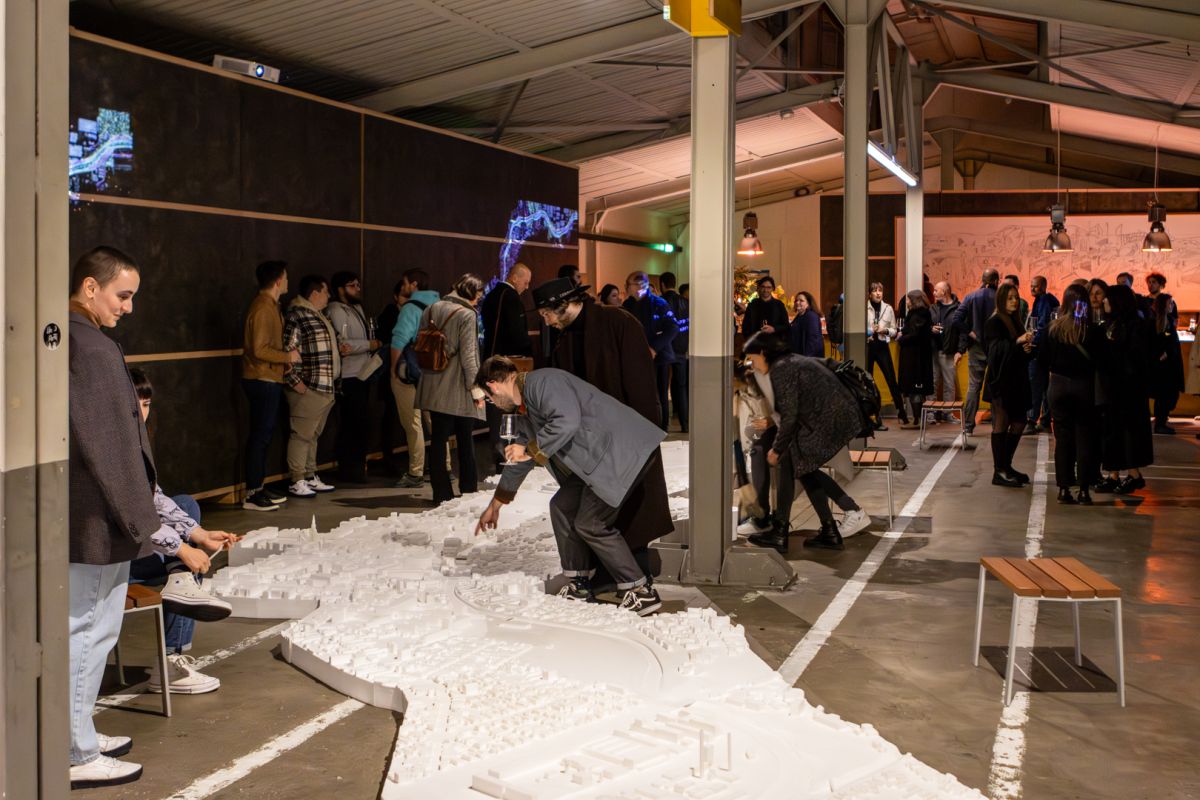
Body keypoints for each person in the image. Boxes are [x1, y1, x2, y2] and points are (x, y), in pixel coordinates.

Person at [66, 247, 166, 787]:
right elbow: (111, 449)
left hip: (89, 513)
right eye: (122, 295)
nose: (128, 307)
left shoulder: (71, 338)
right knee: (88, 630)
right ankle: (75, 751)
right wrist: (139, 519)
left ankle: (75, 731)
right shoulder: (91, 347)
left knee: (89, 629)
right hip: (99, 518)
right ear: (90, 287)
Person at [474, 358, 665, 615]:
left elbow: (566, 422)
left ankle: (640, 590)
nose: (494, 404)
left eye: (489, 399)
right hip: (596, 460)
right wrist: (496, 505)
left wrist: (529, 450)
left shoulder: (543, 382)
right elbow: (518, 463)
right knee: (562, 506)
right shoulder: (524, 411)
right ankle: (578, 583)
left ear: (493, 386)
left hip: (619, 452)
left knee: (591, 523)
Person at [535, 277, 673, 587]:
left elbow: (640, 384)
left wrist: (641, 438)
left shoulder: (618, 323)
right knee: (584, 508)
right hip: (591, 444)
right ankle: (595, 573)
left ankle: (634, 577)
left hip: (627, 439)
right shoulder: (564, 339)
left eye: (546, 313)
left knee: (624, 509)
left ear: (563, 305)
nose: (545, 321)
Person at [127, 369, 238, 693]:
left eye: (147, 404)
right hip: (111, 559)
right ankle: (170, 661)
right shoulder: (111, 449)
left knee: (186, 504)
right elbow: (131, 515)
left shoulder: (136, 444)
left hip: (135, 546)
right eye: (135, 404)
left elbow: (155, 500)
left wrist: (199, 535)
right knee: (183, 565)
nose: (142, 413)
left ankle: (179, 579)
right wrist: (181, 549)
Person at [741, 332, 870, 552]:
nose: (752, 364)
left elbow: (789, 415)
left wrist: (776, 449)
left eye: (753, 358)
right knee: (801, 466)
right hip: (832, 416)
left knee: (791, 461)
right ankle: (829, 530)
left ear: (763, 353)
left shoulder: (781, 370)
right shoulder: (788, 362)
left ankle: (781, 531)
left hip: (830, 419)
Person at [416, 273, 487, 505]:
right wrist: (477, 390)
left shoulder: (431, 309)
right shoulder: (467, 314)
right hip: (458, 386)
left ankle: (441, 494)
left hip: (432, 381)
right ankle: (468, 490)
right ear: (470, 292)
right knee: (465, 439)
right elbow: (469, 357)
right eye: (478, 296)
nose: (478, 301)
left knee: (438, 440)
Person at [241, 260, 300, 511]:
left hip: (269, 377)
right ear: (278, 281)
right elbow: (259, 349)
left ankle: (259, 486)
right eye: (285, 277)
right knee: (260, 437)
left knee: (264, 436)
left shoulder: (271, 306)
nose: (287, 281)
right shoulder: (263, 307)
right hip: (261, 379)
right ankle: (253, 492)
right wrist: (288, 357)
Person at [283, 274, 344, 498]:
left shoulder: (319, 315)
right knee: (301, 435)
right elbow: (287, 351)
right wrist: (296, 383)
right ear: (315, 293)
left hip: (326, 386)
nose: (329, 296)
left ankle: (309, 474)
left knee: (313, 435)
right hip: (310, 387)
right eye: (326, 291)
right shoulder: (297, 315)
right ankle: (297, 478)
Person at [1042, 286, 1100, 505]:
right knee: (1085, 438)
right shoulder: (1092, 330)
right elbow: (1102, 361)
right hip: (1084, 386)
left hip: (1058, 385)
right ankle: (1084, 490)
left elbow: (1041, 359)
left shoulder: (1052, 329)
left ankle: (1063, 488)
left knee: (1063, 438)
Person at [1094, 284, 1154, 494]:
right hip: (1113, 389)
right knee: (1112, 432)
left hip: (1128, 391)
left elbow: (1134, 359)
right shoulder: (1112, 323)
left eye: (1107, 297)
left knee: (1128, 433)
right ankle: (1113, 474)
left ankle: (1134, 475)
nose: (1103, 301)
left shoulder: (1134, 326)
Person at [326, 271, 382, 483]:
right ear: (340, 289)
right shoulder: (335, 310)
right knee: (351, 423)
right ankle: (349, 468)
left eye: (358, 285)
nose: (357, 289)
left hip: (364, 372)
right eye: (352, 285)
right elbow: (344, 344)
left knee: (361, 423)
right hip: (348, 375)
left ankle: (358, 466)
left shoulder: (357, 308)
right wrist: (370, 345)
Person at [389, 269, 440, 488]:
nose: (403, 287)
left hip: (410, 371)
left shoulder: (410, 308)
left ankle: (415, 472)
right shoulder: (439, 305)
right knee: (436, 423)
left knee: (413, 423)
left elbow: (399, 340)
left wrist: (393, 369)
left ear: (414, 284)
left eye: (405, 283)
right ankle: (444, 467)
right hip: (434, 371)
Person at [480, 263, 534, 469]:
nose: (526, 287)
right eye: (525, 282)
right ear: (514, 277)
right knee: (509, 412)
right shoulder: (510, 298)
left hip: (490, 361)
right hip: (508, 364)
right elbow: (517, 334)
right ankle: (508, 456)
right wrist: (528, 350)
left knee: (496, 411)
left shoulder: (492, 296)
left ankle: (499, 455)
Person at [983, 282, 1034, 488]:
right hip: (1001, 380)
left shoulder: (1015, 320)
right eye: (1010, 298)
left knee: (1020, 421)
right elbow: (994, 352)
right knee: (1001, 423)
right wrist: (1018, 342)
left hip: (1017, 379)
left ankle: (1006, 465)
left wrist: (1027, 349)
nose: (1014, 301)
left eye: (1016, 297)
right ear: (1001, 300)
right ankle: (999, 471)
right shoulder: (994, 322)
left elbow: (1016, 351)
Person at [622, 271, 680, 431]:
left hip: (659, 357)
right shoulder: (628, 305)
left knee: (659, 395)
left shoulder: (659, 303)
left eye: (628, 284)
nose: (626, 288)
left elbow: (673, 328)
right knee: (640, 394)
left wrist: (653, 348)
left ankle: (661, 427)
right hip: (636, 358)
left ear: (639, 286)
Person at [950, 268, 1000, 435]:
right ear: (996, 281)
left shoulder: (971, 297)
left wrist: (970, 332)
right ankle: (998, 426)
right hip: (996, 347)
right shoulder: (1000, 297)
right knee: (996, 387)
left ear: (982, 279)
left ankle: (968, 426)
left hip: (976, 347)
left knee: (973, 387)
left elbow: (956, 319)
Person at [374, 280, 407, 475]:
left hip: (408, 372)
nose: (407, 299)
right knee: (391, 417)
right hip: (391, 373)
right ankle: (389, 459)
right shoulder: (390, 313)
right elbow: (387, 339)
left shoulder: (412, 313)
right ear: (396, 297)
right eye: (403, 295)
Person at [866, 282, 907, 428]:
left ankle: (901, 412)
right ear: (869, 294)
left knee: (891, 379)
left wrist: (885, 331)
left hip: (882, 346)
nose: (878, 293)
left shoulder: (888, 308)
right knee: (868, 381)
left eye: (880, 291)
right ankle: (871, 414)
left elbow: (894, 331)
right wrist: (868, 332)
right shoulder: (864, 308)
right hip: (868, 346)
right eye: (875, 291)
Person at [1146, 272, 1183, 434]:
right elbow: (1160, 342)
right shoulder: (1158, 324)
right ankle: (1160, 423)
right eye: (1170, 304)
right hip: (1164, 366)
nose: (1172, 306)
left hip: (1169, 364)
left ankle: (1161, 421)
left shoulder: (1167, 321)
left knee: (1166, 394)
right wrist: (1164, 353)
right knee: (1164, 394)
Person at [1025, 275, 1060, 432]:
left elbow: (1042, 325)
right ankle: (1045, 421)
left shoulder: (1044, 301)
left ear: (1044, 287)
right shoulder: (1044, 300)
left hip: (1039, 350)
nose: (1032, 288)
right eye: (1031, 285)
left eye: (1036, 286)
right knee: (1045, 386)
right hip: (1046, 350)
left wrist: (1033, 343)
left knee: (1035, 385)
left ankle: (1031, 421)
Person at [897, 289, 933, 430]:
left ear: (914, 300)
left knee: (914, 387)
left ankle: (917, 420)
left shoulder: (918, 315)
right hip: (918, 356)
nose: (906, 302)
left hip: (915, 357)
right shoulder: (921, 313)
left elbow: (914, 334)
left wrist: (901, 338)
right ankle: (918, 418)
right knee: (917, 387)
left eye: (908, 299)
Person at [660, 272, 690, 432]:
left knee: (663, 388)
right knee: (682, 387)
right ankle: (685, 424)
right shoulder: (685, 302)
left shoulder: (660, 302)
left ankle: (664, 424)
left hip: (664, 349)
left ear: (662, 284)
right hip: (681, 349)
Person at [929, 281, 960, 420]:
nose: (934, 293)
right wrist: (931, 328)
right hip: (933, 350)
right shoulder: (932, 308)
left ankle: (948, 413)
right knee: (932, 382)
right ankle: (930, 412)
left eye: (936, 290)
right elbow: (925, 325)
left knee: (949, 383)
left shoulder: (958, 308)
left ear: (945, 292)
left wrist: (960, 350)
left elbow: (962, 331)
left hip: (949, 351)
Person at [788, 290, 824, 358]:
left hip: (809, 357)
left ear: (808, 304)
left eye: (801, 301)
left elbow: (813, 340)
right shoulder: (800, 316)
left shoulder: (811, 316)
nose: (797, 302)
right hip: (799, 355)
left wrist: (806, 359)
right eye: (796, 300)